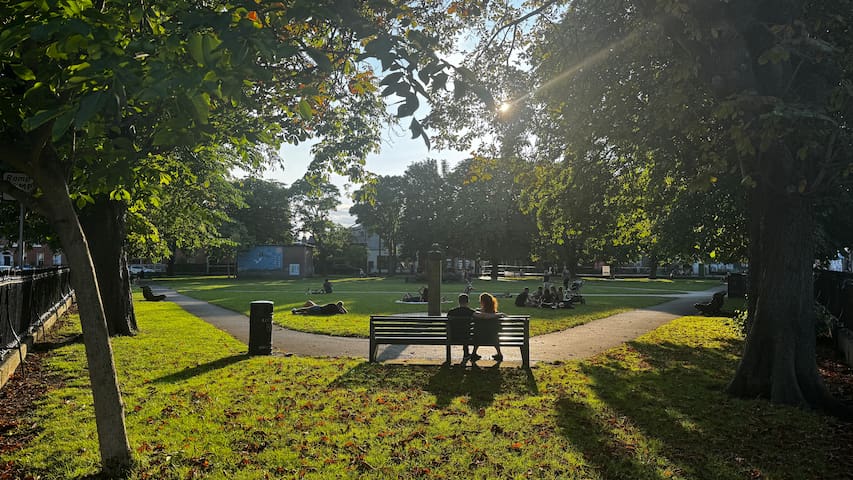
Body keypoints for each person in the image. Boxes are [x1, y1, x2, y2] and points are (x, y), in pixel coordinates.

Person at [470, 292, 505, 362]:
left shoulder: (478, 313)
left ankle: (474, 353)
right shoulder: (495, 314)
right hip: (492, 338)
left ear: (482, 302)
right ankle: (499, 353)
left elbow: (483, 316)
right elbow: (499, 329)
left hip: (479, 338)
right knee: (494, 335)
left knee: (478, 332)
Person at [447, 293, 475, 361]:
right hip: (466, 337)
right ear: (468, 302)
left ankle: (466, 354)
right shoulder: (471, 312)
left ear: (459, 301)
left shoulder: (451, 312)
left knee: (462, 331)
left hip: (453, 336)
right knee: (466, 331)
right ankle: (468, 353)